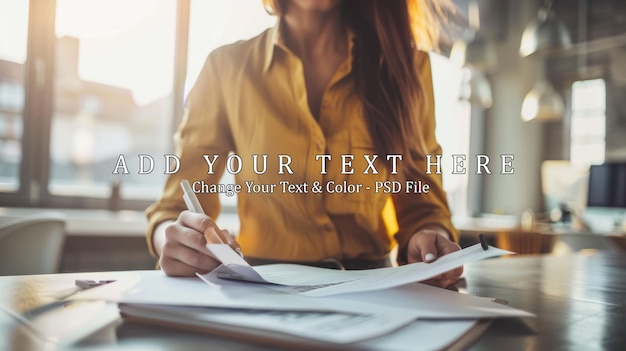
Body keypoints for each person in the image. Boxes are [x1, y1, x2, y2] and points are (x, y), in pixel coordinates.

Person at [146, 0, 463, 287]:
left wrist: (431, 238)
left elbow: (423, 207)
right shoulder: (226, 69)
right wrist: (174, 242)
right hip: (263, 290)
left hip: (374, 290)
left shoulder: (405, 67)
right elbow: (175, 210)